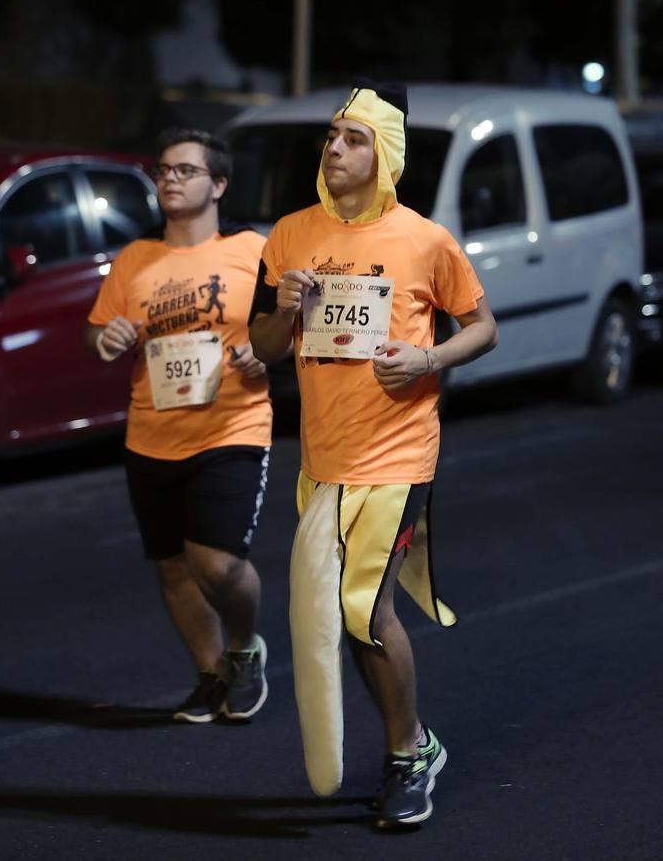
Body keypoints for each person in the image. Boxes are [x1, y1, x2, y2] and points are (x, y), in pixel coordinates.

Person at [248, 81, 498, 827]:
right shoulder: (289, 235)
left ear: (385, 155)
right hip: (322, 458)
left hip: (399, 452)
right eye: (331, 136)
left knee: (363, 605)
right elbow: (261, 348)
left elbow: (484, 328)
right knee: (341, 610)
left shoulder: (425, 240)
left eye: (353, 139)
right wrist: (285, 311)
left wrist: (427, 362)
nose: (334, 149)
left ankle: (410, 753)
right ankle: (406, 743)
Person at [86, 129, 272, 723]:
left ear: (218, 184)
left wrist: (262, 353)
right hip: (151, 434)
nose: (170, 179)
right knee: (172, 565)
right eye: (164, 170)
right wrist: (106, 337)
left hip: (233, 426)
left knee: (214, 561)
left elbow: (295, 328)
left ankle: (244, 648)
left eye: (186, 171)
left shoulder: (253, 251)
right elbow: (98, 334)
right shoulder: (135, 260)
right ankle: (210, 675)